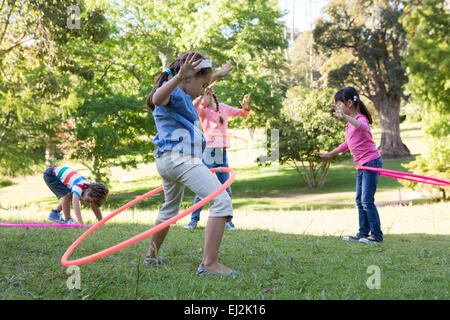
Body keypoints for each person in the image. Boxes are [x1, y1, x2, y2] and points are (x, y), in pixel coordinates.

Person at [145, 51, 238, 275]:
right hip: (182, 160)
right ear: (187, 78)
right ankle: (209, 265)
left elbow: (194, 84)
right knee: (221, 201)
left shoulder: (184, 95)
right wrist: (178, 79)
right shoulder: (172, 91)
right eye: (203, 83)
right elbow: (157, 99)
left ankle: (151, 257)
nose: (205, 89)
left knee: (169, 209)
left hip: (169, 161)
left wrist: (218, 75)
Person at [317, 86, 383, 244]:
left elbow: (364, 128)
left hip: (371, 162)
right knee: (360, 200)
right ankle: (363, 233)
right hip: (362, 165)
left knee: (367, 201)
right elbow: (346, 144)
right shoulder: (349, 125)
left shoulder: (360, 119)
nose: (338, 108)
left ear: (349, 103)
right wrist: (329, 154)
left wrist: (345, 118)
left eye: (339, 104)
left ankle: (376, 236)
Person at [183, 83, 251, 230]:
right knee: (203, 187)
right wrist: (201, 94)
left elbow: (243, 114)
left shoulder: (224, 108)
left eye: (204, 96)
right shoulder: (203, 110)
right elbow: (192, 107)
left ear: (210, 94)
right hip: (208, 151)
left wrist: (245, 106)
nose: (201, 100)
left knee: (225, 188)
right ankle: (193, 221)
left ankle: (228, 222)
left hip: (221, 151)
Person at [43, 166, 109, 225]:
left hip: (57, 173)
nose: (86, 203)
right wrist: (80, 223)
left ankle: (55, 213)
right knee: (67, 195)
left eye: (89, 202)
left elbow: (95, 207)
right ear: (88, 190)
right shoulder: (78, 187)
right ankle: (68, 219)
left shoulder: (87, 189)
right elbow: (75, 204)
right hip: (51, 175)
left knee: (69, 194)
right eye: (88, 200)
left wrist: (101, 222)